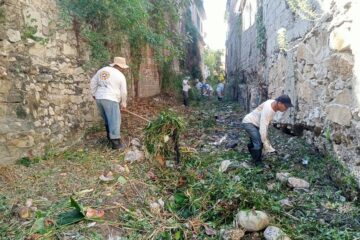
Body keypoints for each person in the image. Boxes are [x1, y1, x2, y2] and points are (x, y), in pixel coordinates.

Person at [242, 95, 294, 166]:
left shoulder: (272, 103)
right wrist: (266, 143)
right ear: (279, 103)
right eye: (286, 106)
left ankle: (254, 154)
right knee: (259, 142)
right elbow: (263, 127)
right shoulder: (269, 110)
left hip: (255, 123)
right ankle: (257, 162)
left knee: (256, 140)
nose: (286, 109)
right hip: (249, 122)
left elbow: (265, 124)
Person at [90, 57, 128, 150]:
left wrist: (94, 94)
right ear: (120, 66)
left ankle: (109, 138)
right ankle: (116, 144)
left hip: (99, 98)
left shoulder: (102, 70)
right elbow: (124, 92)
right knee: (114, 121)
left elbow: (93, 82)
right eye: (123, 68)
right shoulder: (120, 75)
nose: (123, 69)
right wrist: (124, 104)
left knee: (107, 119)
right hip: (111, 99)